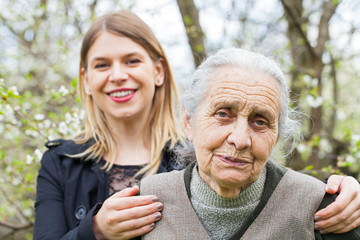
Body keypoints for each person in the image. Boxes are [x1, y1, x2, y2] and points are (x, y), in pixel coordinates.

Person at [33, 10, 360, 240]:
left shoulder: (198, 149)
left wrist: (341, 192)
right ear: (86, 80)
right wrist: (96, 231)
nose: (118, 75)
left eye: (132, 60)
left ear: (159, 71)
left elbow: (271, 190)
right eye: (102, 65)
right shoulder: (62, 162)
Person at [139, 47, 360, 239]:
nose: (240, 139)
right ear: (188, 121)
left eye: (260, 122)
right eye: (223, 114)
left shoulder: (324, 209)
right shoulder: (142, 207)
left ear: (277, 137)